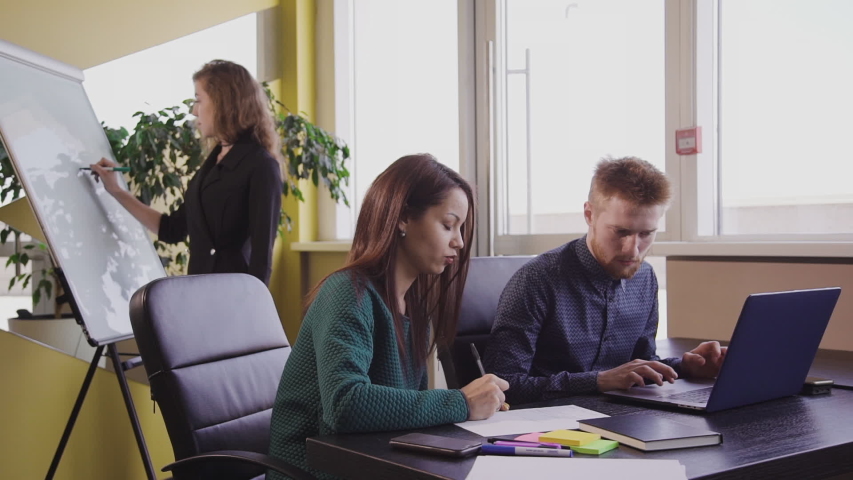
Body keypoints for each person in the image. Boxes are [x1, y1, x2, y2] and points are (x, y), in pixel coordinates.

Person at [267, 154, 509, 480]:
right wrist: (461, 402)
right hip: (314, 471)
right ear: (404, 218)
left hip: (374, 463)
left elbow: (408, 410)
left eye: (461, 228)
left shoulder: (415, 311)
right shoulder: (347, 294)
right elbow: (345, 404)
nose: (460, 241)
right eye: (448, 224)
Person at [484, 156, 726, 405]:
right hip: (548, 429)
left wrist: (685, 367)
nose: (633, 251)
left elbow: (640, 365)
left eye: (646, 234)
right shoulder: (536, 280)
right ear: (589, 214)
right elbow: (503, 384)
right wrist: (598, 381)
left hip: (620, 417)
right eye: (621, 232)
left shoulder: (644, 278)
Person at [90, 60, 283, 285]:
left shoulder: (261, 165)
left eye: (198, 100)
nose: (193, 110)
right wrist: (115, 190)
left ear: (224, 102)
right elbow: (171, 229)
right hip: (198, 292)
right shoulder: (212, 163)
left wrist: (251, 308)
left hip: (233, 297)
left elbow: (262, 260)